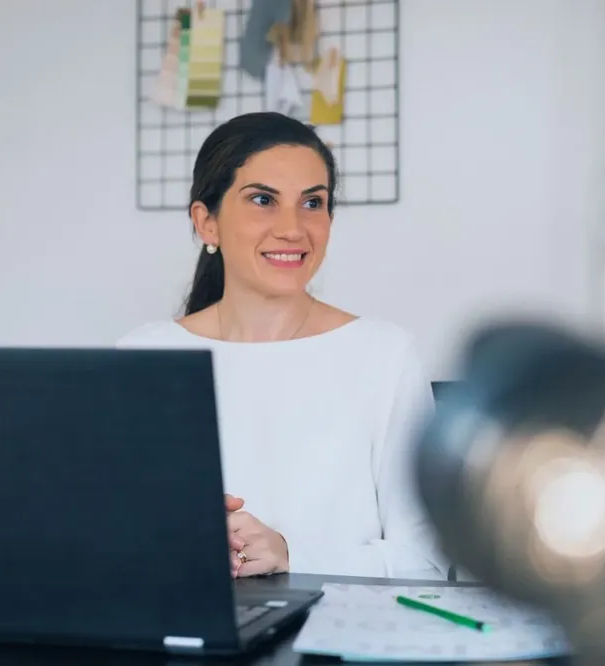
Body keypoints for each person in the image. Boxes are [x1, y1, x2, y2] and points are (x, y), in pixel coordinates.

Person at [118, 112, 447, 580]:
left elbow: (427, 562)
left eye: (312, 203)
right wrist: (177, 534)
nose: (293, 228)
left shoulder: (385, 356)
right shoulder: (144, 356)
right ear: (206, 223)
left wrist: (289, 554)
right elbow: (112, 546)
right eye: (263, 200)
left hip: (338, 640)